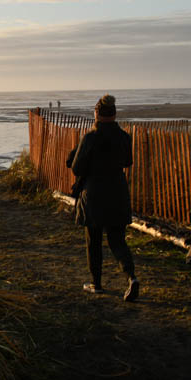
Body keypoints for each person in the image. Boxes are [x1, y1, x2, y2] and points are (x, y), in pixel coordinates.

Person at [67, 94, 139, 302]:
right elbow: (128, 161)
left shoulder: (90, 138)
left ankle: (96, 284)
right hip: (117, 192)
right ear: (114, 114)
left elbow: (77, 168)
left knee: (94, 241)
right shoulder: (124, 137)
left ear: (97, 113)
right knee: (118, 241)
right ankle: (132, 278)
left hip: (94, 194)